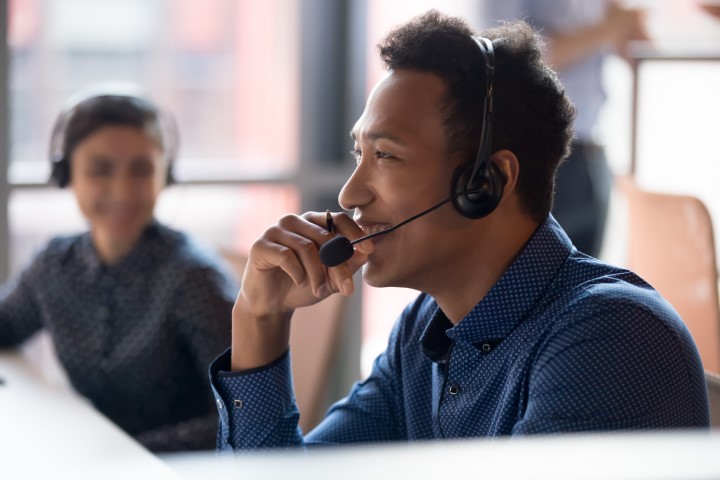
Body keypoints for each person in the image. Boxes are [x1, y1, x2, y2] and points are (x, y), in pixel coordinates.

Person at [210, 11, 709, 451]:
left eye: (385, 156)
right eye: (359, 154)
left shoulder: (609, 339)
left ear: (486, 182)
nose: (349, 195)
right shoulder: (426, 332)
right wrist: (258, 320)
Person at [0, 87, 238, 452]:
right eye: (100, 169)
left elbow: (240, 418)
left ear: (165, 174)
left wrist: (122, 452)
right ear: (67, 174)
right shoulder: (53, 266)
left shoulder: (194, 278)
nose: (123, 190)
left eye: (141, 169)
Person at [480, 0, 649, 258]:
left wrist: (628, 30)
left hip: (592, 151)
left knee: (589, 282)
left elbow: (633, 46)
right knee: (531, 277)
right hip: (537, 154)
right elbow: (503, 54)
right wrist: (606, 29)